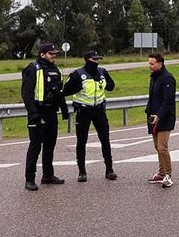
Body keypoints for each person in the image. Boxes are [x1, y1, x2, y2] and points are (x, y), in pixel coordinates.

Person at [21, 42, 70, 191]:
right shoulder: (33, 69)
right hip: (38, 113)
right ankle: (30, 179)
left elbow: (59, 92)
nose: (54, 56)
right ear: (42, 54)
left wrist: (64, 108)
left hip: (51, 113)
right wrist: (33, 113)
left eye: (55, 54)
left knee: (50, 146)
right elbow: (26, 94)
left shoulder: (56, 70)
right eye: (51, 54)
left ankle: (48, 176)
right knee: (35, 147)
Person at [63, 50, 117, 182]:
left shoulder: (103, 72)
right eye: (94, 59)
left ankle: (109, 169)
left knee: (105, 139)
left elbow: (111, 86)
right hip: (83, 112)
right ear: (87, 60)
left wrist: (104, 84)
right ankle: (82, 171)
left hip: (99, 111)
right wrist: (78, 87)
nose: (97, 62)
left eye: (98, 59)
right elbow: (65, 91)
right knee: (81, 141)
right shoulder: (77, 74)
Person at [145, 53, 176, 188]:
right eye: (149, 63)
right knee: (157, 146)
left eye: (152, 64)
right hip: (153, 117)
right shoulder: (154, 77)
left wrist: (159, 116)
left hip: (164, 118)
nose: (149, 66)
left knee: (163, 147)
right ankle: (161, 173)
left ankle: (168, 176)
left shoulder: (167, 78)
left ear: (160, 64)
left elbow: (168, 101)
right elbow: (153, 97)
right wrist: (149, 112)